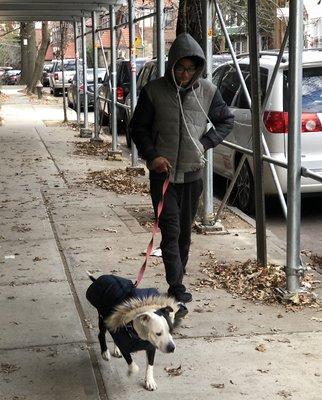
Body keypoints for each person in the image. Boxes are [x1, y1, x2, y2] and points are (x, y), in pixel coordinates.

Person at [130, 33, 234, 303]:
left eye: (190, 68)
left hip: (192, 175)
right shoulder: (153, 91)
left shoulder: (208, 92)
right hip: (163, 176)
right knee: (171, 230)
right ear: (171, 64)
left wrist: (205, 143)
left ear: (198, 68)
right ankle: (175, 283)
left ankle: (179, 275)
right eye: (180, 67)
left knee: (185, 233)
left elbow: (225, 121)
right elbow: (137, 128)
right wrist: (152, 156)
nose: (185, 74)